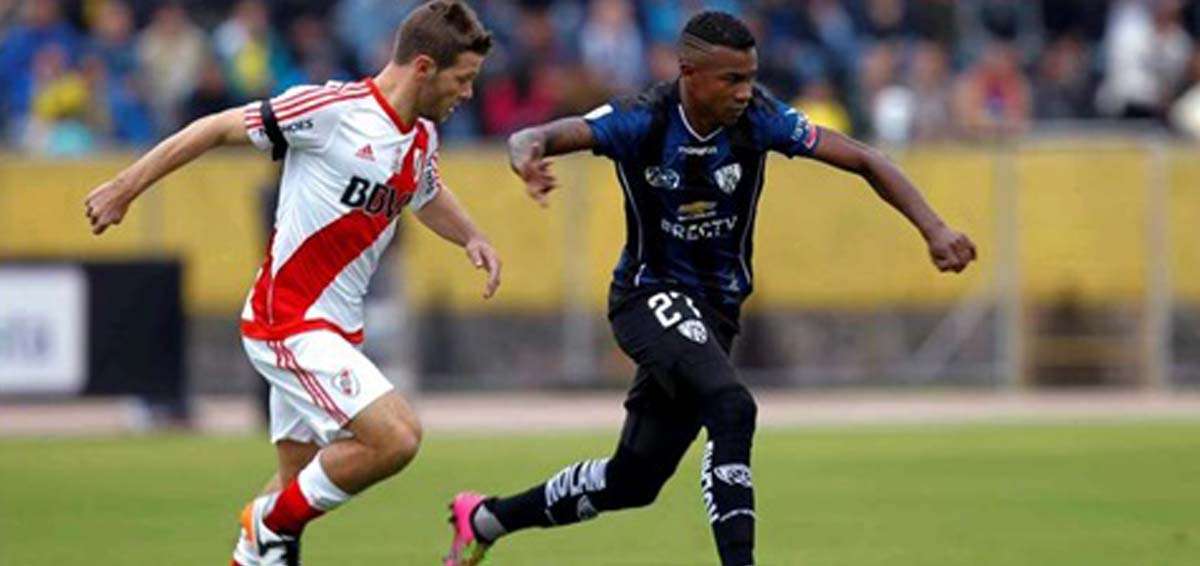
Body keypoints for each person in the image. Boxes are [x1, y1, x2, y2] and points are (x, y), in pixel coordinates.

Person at [444, 11, 976, 566]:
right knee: (732, 406)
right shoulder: (643, 119)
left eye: (750, 77)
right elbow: (538, 135)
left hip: (715, 313)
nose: (745, 92)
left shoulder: (761, 118)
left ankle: (483, 519)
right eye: (732, 80)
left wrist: (934, 228)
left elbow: (865, 158)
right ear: (689, 73)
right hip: (648, 298)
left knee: (634, 480)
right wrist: (527, 153)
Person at [83, 2, 499, 564]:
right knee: (396, 437)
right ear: (424, 67)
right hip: (289, 321)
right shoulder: (332, 111)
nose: (468, 94)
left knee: (292, 486)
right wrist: (125, 187)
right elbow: (216, 126)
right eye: (463, 79)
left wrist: (472, 236)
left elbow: (426, 194)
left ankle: (260, 539)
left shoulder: (421, 137)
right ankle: (265, 525)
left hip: (336, 332)